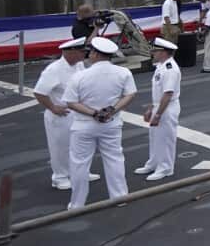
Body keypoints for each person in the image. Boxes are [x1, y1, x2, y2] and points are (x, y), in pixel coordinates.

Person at [63, 36, 136, 209]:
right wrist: (112, 110)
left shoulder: (79, 76)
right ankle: (119, 197)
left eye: (91, 52)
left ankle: (77, 203)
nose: (89, 55)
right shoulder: (123, 73)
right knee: (114, 159)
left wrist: (94, 113)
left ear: (96, 54)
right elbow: (130, 94)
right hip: (111, 123)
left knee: (79, 164)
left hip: (84, 124)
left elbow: (70, 102)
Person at [34, 38, 99, 191]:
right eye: (81, 52)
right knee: (60, 147)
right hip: (62, 113)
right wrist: (53, 108)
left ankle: (80, 172)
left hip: (79, 111)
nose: (84, 54)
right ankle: (60, 177)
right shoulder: (54, 69)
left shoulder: (79, 65)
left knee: (80, 145)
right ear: (70, 52)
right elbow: (39, 92)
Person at [135, 38, 181, 181]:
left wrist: (158, 114)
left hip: (167, 107)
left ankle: (165, 168)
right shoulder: (161, 66)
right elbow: (158, 92)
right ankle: (153, 163)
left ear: (164, 52)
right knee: (155, 137)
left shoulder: (170, 69)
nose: (153, 52)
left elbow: (168, 94)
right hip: (159, 105)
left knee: (165, 138)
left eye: (155, 50)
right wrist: (151, 109)